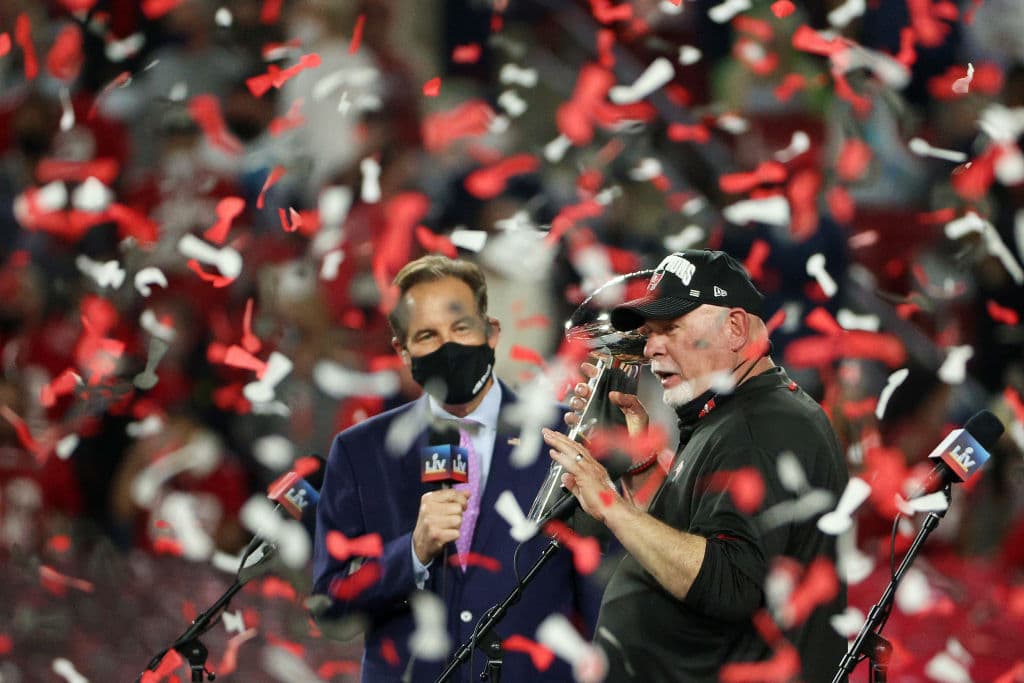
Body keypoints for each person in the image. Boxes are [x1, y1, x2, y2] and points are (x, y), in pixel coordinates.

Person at [542, 249, 849, 682]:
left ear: (735, 328)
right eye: (649, 333)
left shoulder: (759, 428)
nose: (651, 347)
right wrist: (640, 466)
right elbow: (694, 537)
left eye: (670, 328)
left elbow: (731, 584)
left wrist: (610, 504)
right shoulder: (733, 414)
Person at [311, 254, 601, 682]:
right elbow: (330, 606)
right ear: (403, 352)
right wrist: (412, 552)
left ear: (492, 332)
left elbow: (602, 595)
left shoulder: (564, 436)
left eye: (461, 328)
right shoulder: (361, 452)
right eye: (427, 335)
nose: (448, 347)